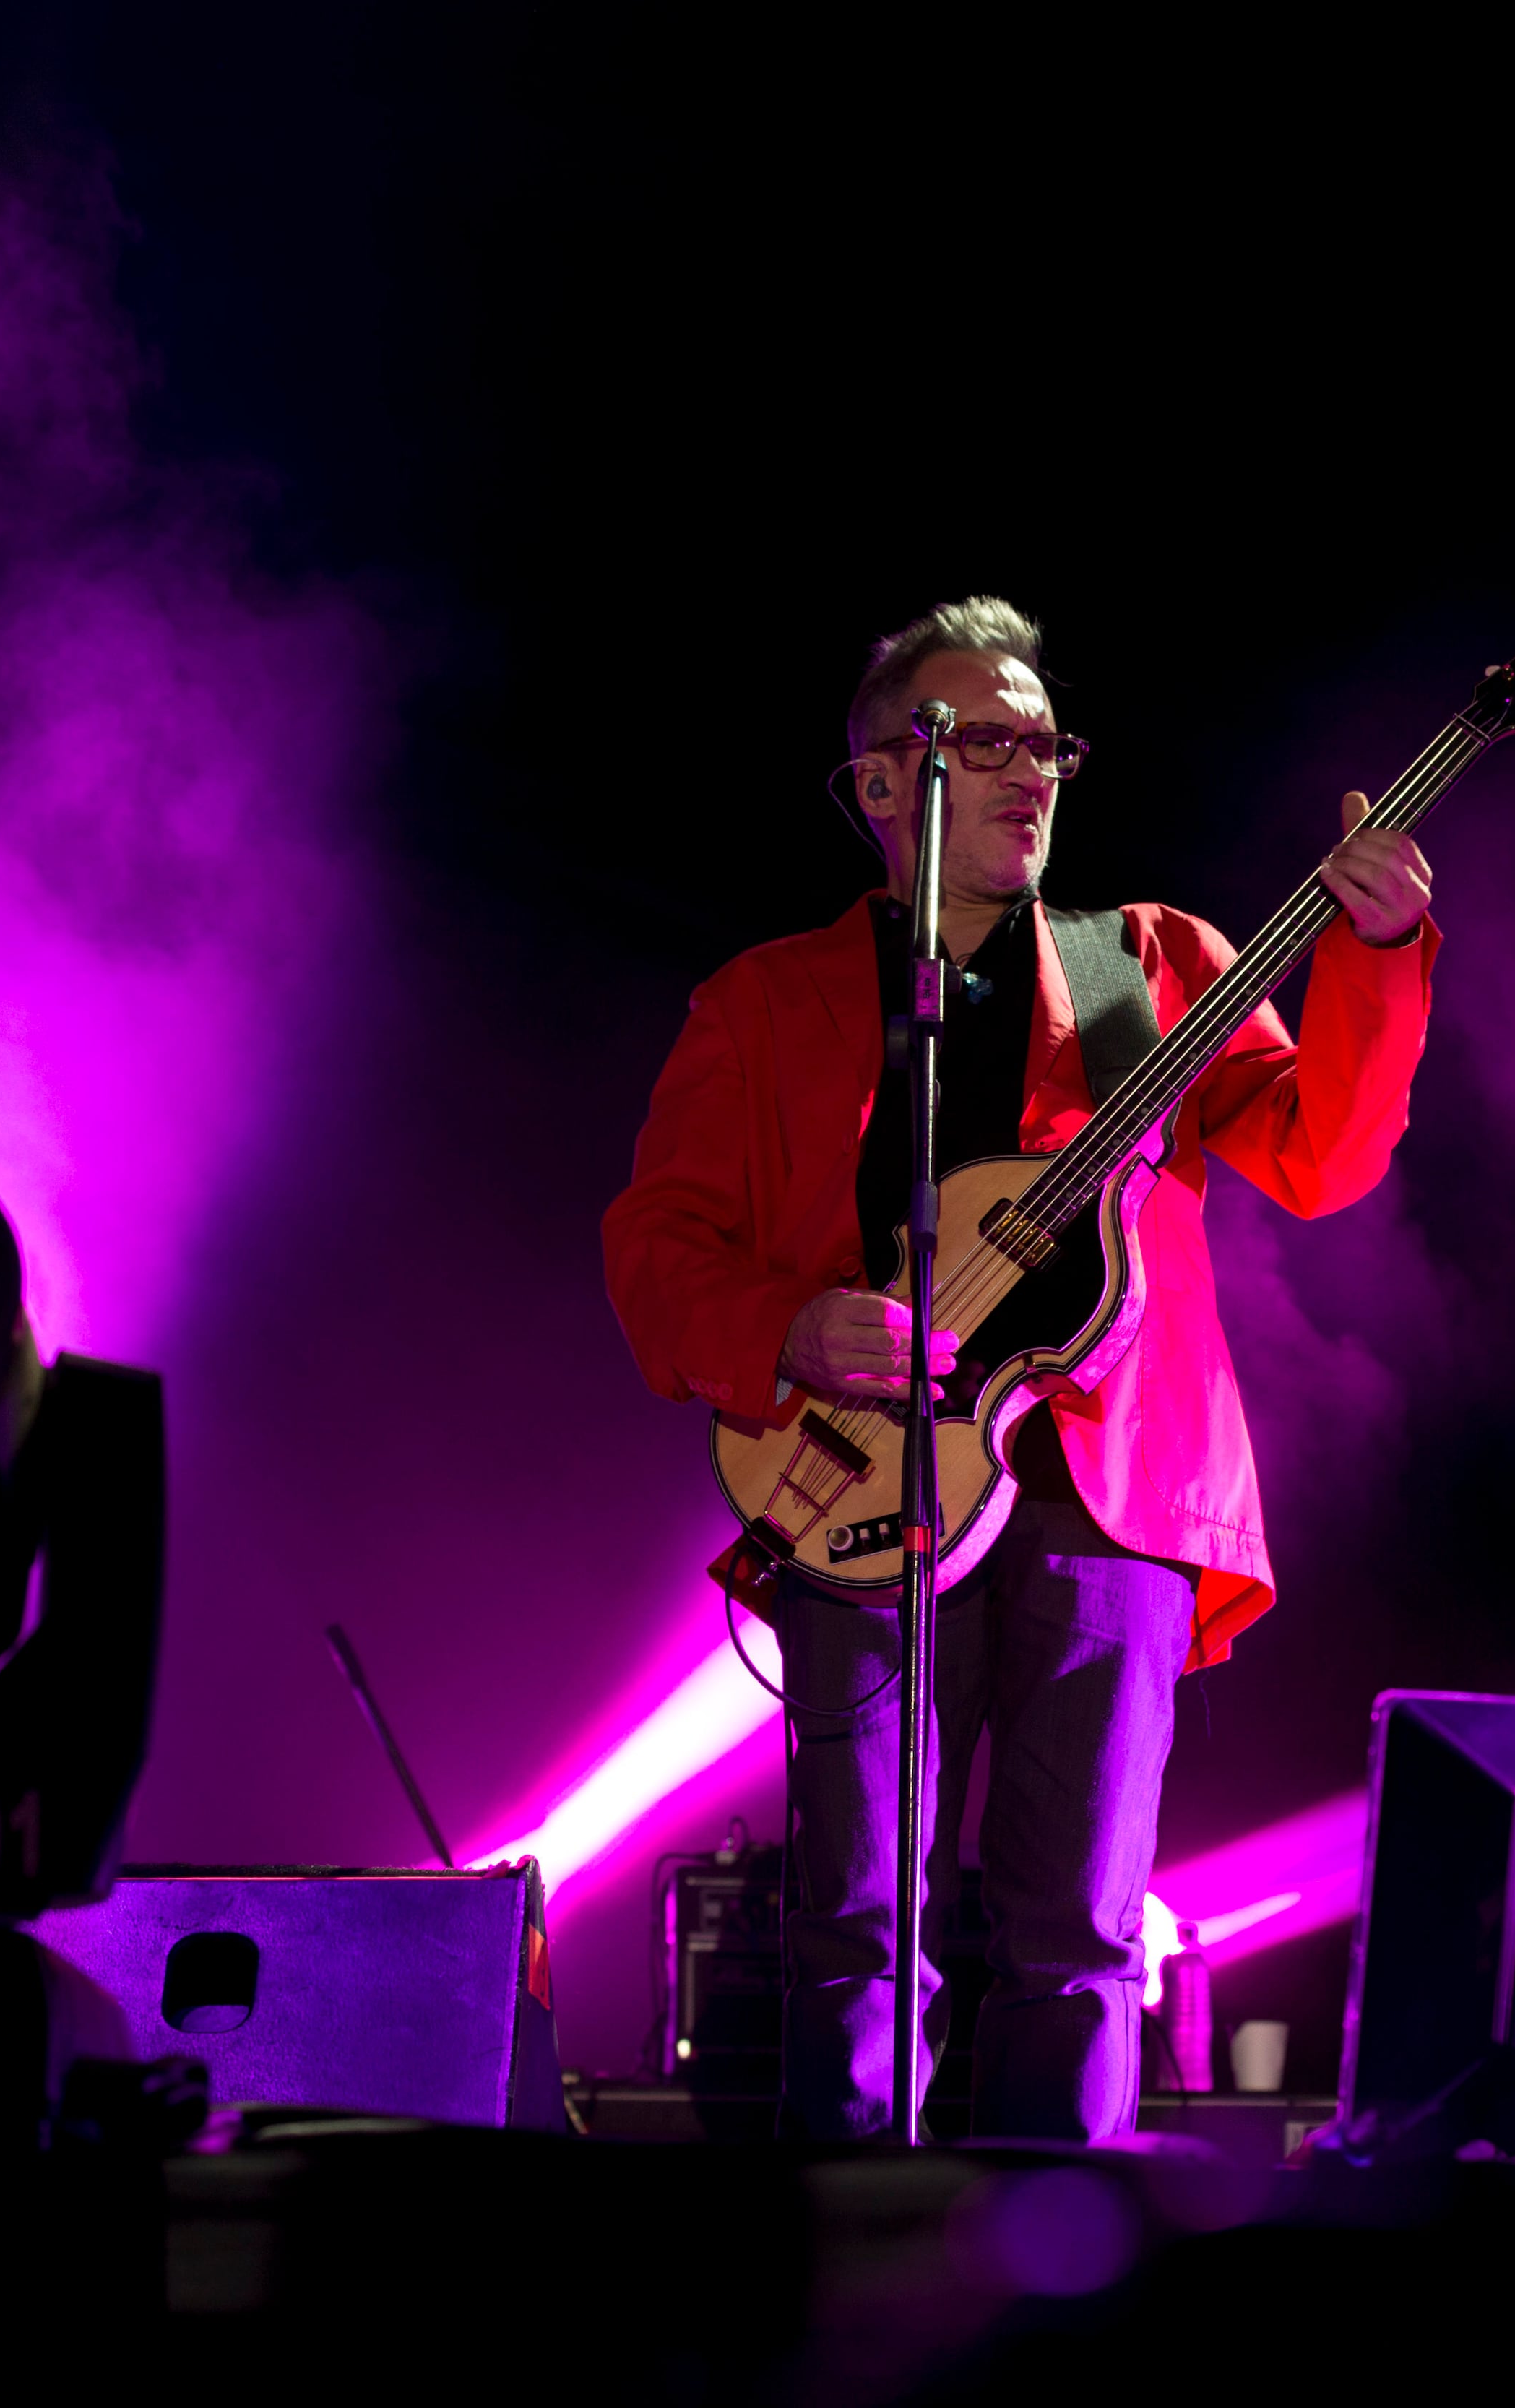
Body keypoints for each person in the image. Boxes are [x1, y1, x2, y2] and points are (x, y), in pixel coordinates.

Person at [601, 596, 1438, 2139]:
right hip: (865, 1492)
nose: (1030, 770)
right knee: (855, 1923)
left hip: (1108, 1497)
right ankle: (847, 2245)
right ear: (879, 782)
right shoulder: (766, 1000)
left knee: (1080, 1936)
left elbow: (1322, 1156)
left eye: (1046, 742)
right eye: (983, 740)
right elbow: (658, 1244)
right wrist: (788, 1325)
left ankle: (1058, 2251)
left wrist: (1376, 953)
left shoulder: (1146, 967)